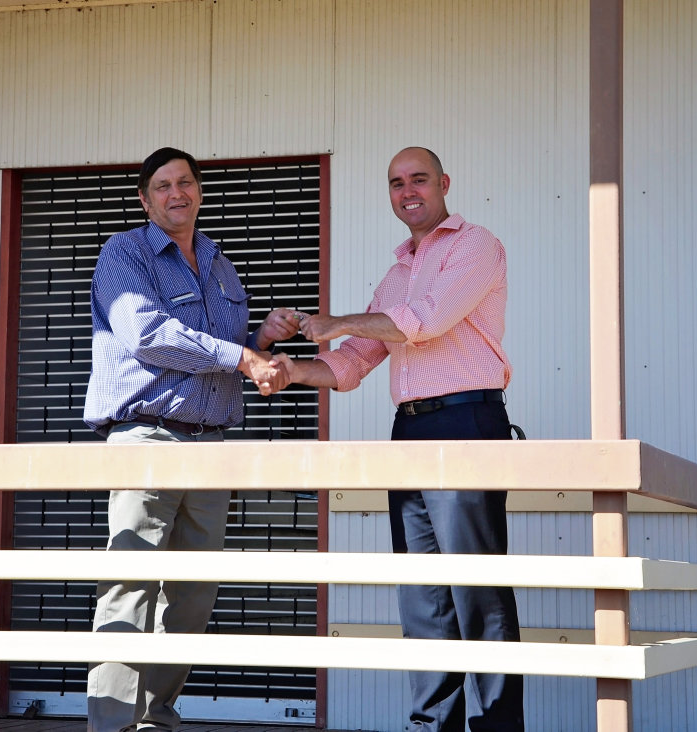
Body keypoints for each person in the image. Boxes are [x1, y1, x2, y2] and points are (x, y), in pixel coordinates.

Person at [288, 147, 524, 732]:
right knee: (422, 595)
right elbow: (351, 364)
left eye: (419, 179)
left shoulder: (476, 246)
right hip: (410, 429)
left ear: (444, 182)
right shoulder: (395, 272)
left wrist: (339, 319)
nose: (408, 190)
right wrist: (289, 371)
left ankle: (496, 727)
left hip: (466, 422)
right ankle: (430, 727)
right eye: (396, 183)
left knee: (478, 591)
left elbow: (428, 318)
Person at [82, 146, 298, 732]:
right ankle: (110, 724)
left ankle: (157, 717)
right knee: (130, 582)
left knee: (194, 593)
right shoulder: (122, 254)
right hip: (146, 436)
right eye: (162, 186)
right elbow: (150, 335)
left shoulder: (218, 262)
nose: (176, 193)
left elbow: (224, 351)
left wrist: (262, 336)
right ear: (145, 199)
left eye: (185, 182)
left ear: (199, 190)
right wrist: (245, 354)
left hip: (209, 445)